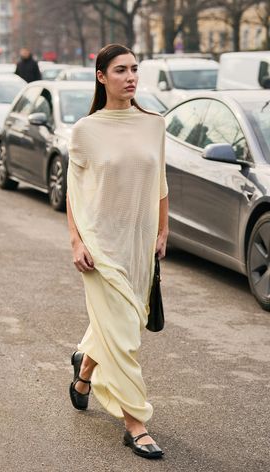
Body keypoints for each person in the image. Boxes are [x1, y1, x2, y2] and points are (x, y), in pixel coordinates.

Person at [66, 43, 169, 460]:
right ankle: (135, 424)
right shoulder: (86, 130)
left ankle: (84, 370)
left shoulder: (154, 125)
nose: (131, 77)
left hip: (138, 243)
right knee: (125, 336)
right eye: (121, 70)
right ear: (101, 76)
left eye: (135, 69)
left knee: (126, 322)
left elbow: (160, 183)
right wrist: (76, 240)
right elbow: (74, 194)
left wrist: (162, 230)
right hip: (100, 246)